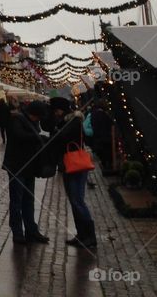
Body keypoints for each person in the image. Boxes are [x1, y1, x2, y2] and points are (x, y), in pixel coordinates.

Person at [49, 96, 96, 248]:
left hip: (76, 165)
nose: (55, 114)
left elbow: (60, 136)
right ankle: (81, 234)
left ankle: (90, 236)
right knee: (74, 201)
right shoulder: (65, 121)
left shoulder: (74, 121)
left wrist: (57, 128)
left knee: (78, 201)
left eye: (56, 110)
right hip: (68, 165)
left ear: (61, 109)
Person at [3, 101, 49, 244]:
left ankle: (31, 230)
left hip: (30, 166)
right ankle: (17, 232)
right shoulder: (16, 119)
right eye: (38, 117)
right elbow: (18, 136)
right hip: (16, 166)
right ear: (33, 114)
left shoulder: (33, 122)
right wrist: (38, 137)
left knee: (28, 200)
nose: (39, 120)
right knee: (17, 200)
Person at [90, 101, 114, 167]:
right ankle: (108, 165)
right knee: (107, 152)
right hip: (105, 137)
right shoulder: (103, 114)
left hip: (98, 137)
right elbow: (110, 124)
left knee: (103, 153)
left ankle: (105, 164)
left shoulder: (93, 113)